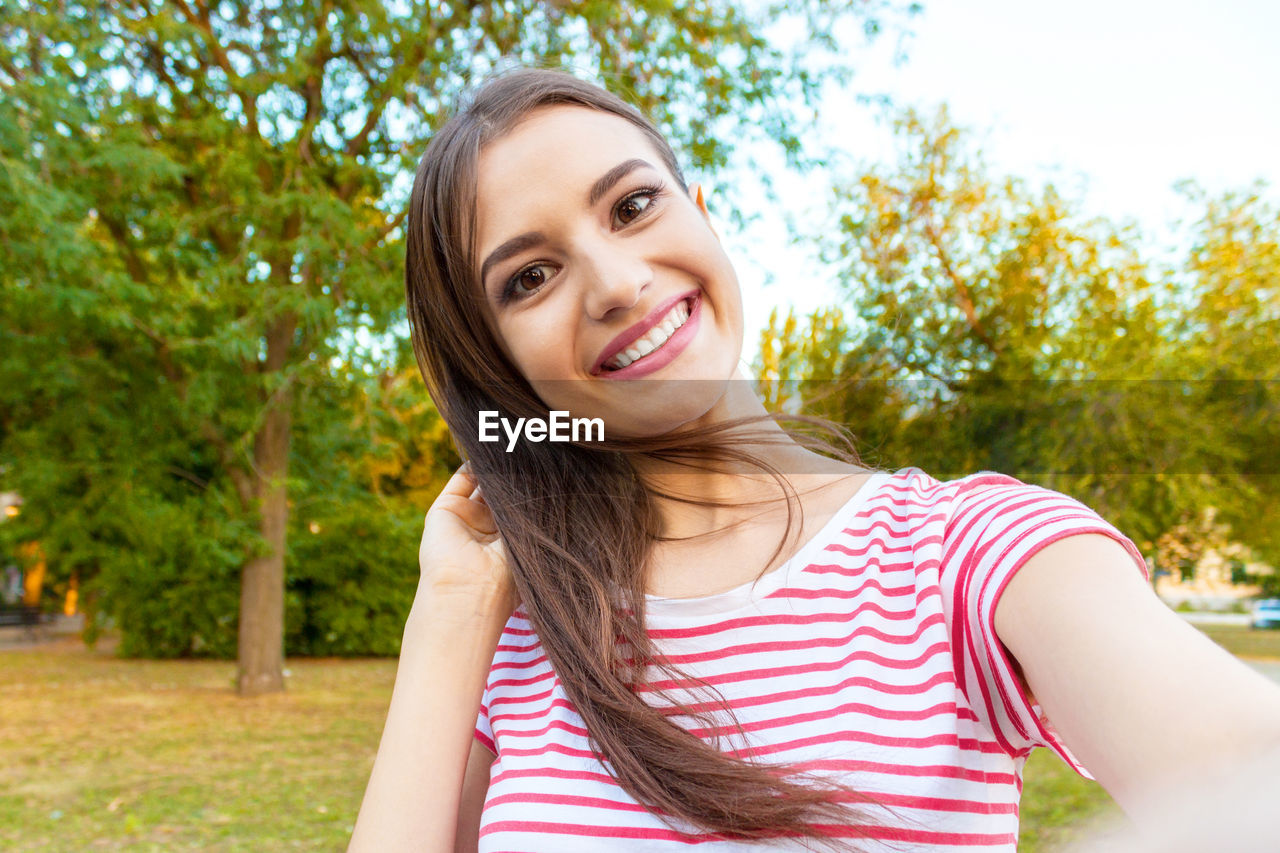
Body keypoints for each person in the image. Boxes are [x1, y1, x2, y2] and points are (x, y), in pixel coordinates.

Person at [349, 68, 1280, 852]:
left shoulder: (969, 554)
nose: (617, 284)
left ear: (703, 213)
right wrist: (451, 613)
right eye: (531, 278)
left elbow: (1247, 773)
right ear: (498, 365)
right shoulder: (514, 637)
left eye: (633, 206)